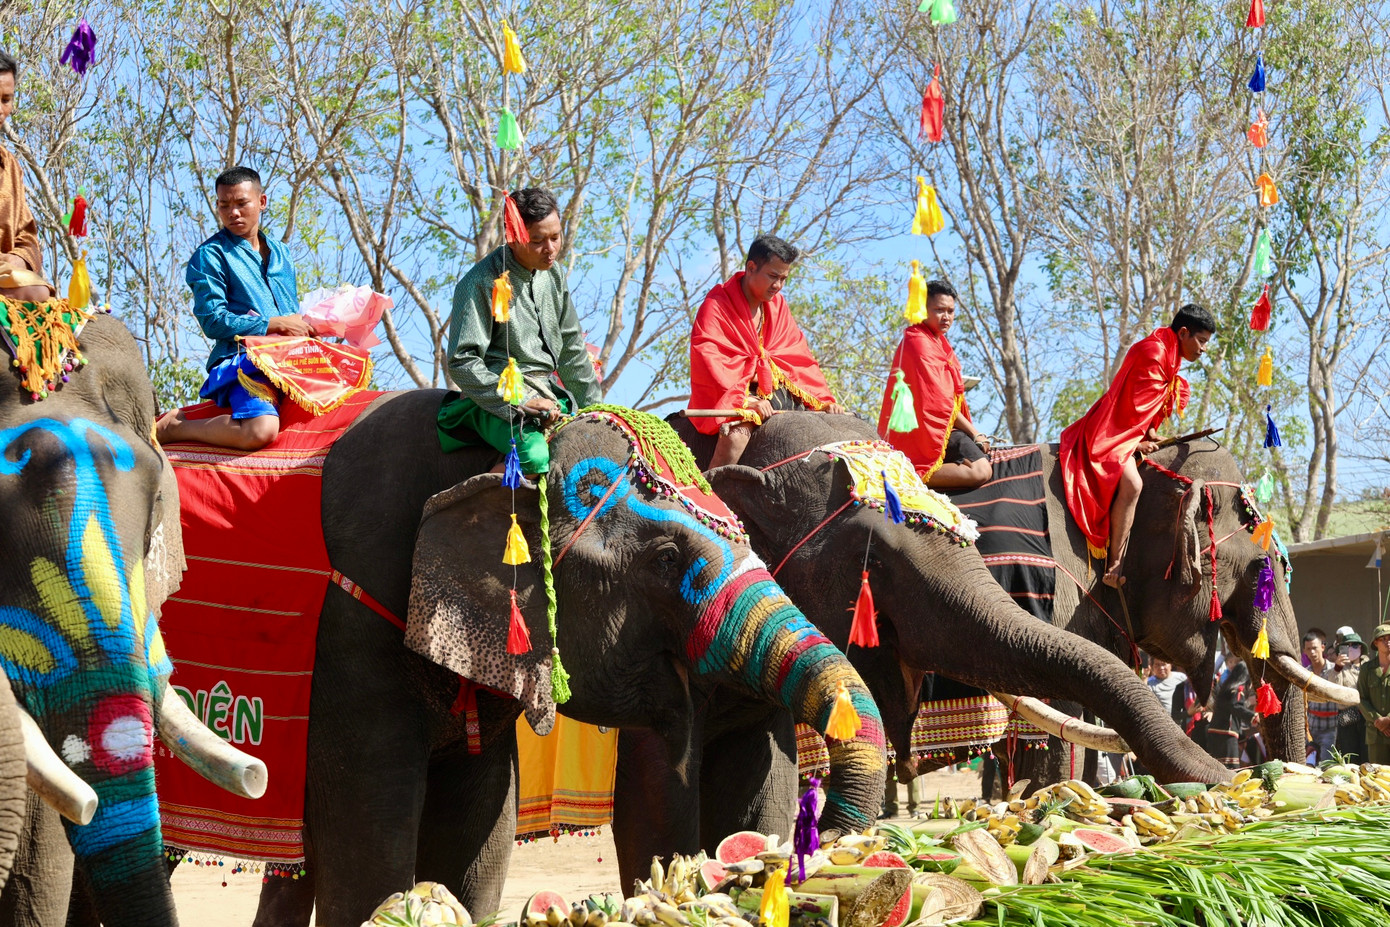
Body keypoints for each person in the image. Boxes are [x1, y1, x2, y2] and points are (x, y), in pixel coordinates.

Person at [437, 187, 601, 476]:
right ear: (513, 237)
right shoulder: (479, 282)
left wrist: (598, 412)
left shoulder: (554, 274)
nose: (550, 248)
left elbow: (572, 349)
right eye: (537, 240)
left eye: (555, 236)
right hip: (493, 400)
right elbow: (463, 362)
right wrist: (522, 400)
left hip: (549, 396)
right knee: (535, 458)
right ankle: (467, 517)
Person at [156, 167, 314, 450]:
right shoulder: (209, 255)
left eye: (242, 203)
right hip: (243, 362)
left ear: (262, 202)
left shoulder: (281, 252)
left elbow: (290, 311)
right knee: (260, 430)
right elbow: (212, 320)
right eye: (224, 205)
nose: (233, 213)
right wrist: (273, 324)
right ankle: (175, 427)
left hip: (290, 359)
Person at [1058, 304, 1216, 587]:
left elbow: (1143, 407)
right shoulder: (1154, 353)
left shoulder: (1170, 353)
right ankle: (1114, 564)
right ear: (1183, 333)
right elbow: (1128, 410)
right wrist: (1137, 442)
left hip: (1128, 431)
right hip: (1110, 432)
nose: (1204, 349)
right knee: (1133, 485)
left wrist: (1151, 431)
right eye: (1201, 340)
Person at [689, 235, 844, 467]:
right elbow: (710, 360)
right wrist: (745, 400)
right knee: (737, 434)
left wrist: (823, 401)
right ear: (751, 268)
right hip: (737, 396)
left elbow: (799, 359)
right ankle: (710, 492)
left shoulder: (778, 305)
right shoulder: (716, 306)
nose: (778, 286)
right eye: (773, 276)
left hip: (778, 393)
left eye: (783, 278)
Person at [877, 279, 992, 488]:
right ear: (923, 309)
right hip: (924, 431)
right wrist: (975, 433)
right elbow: (938, 405)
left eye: (951, 311)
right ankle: (905, 477)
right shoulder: (918, 341)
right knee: (981, 470)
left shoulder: (939, 342)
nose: (946, 317)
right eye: (939, 310)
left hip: (942, 425)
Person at [0, 50, 55, 304]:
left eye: (6, 99)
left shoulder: (10, 166)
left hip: (4, 277)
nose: (1, 109)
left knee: (39, 291)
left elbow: (27, 237)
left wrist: (18, 259)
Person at [1205, 649, 1255, 768]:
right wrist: (1253, 716)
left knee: (1216, 768)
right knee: (1231, 770)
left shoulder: (1226, 688)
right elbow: (1235, 706)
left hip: (1215, 732)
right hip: (1226, 733)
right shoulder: (1238, 690)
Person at [1302, 630, 1339, 763]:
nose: (1312, 652)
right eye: (1309, 649)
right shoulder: (1305, 673)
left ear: (1322, 647)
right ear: (1304, 651)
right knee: (1308, 765)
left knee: (1326, 765)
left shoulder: (1335, 670)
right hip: (1310, 730)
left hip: (1330, 728)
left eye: (1315, 648)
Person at [1331, 628, 1367, 762]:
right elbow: (1334, 690)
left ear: (1361, 649)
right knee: (1349, 756)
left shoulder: (1369, 666)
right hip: (1347, 716)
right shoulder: (1337, 668)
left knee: (1367, 754)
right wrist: (1337, 668)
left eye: (1355, 645)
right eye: (1347, 646)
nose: (1351, 648)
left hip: (1367, 716)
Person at [1356, 624, 1390, 765]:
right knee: (1378, 775)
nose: (1387, 641)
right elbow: (1361, 698)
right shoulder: (1367, 669)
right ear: (1375, 643)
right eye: (1383, 639)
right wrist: (1378, 721)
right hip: (1375, 733)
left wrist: (1388, 719)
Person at [1146, 659, 1189, 727]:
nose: (1161, 668)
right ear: (1152, 667)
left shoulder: (1181, 677)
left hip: (1183, 720)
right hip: (1163, 725)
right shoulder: (1150, 682)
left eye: (1164, 664)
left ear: (1170, 665)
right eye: (1157, 665)